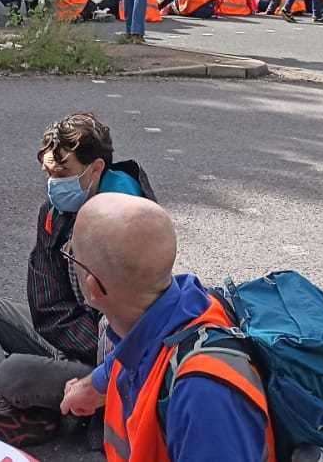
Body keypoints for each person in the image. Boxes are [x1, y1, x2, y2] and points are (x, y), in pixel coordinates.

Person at [0, 114, 154, 446]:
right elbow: (47, 301)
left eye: (62, 174)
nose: (54, 183)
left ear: (96, 168)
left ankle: (22, 402)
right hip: (63, 330)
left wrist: (80, 369)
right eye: (48, 173)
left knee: (9, 374)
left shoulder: (129, 224)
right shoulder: (56, 212)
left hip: (104, 358)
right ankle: (9, 407)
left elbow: (131, 337)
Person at [58, 195, 270, 461]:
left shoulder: (204, 396)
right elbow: (135, 351)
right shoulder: (182, 307)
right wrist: (94, 385)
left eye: (72, 254)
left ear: (93, 286)